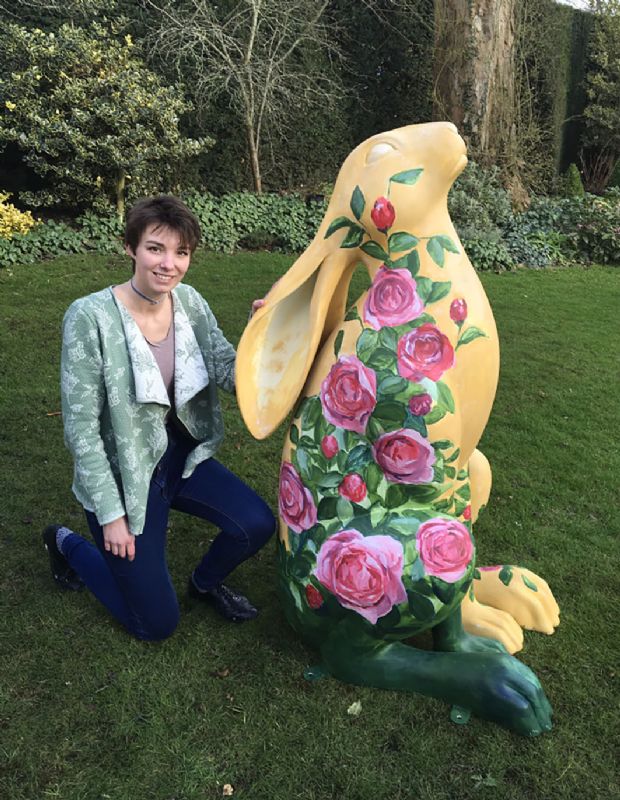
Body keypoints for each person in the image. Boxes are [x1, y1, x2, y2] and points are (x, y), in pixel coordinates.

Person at [43, 195, 275, 640]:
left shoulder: (188, 302)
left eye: (181, 252)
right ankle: (65, 543)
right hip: (126, 474)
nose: (169, 264)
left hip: (180, 457)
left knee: (256, 524)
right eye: (156, 248)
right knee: (155, 624)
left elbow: (228, 371)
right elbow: (82, 430)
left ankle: (204, 585)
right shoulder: (89, 317)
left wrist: (259, 333)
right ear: (130, 248)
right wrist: (111, 516)